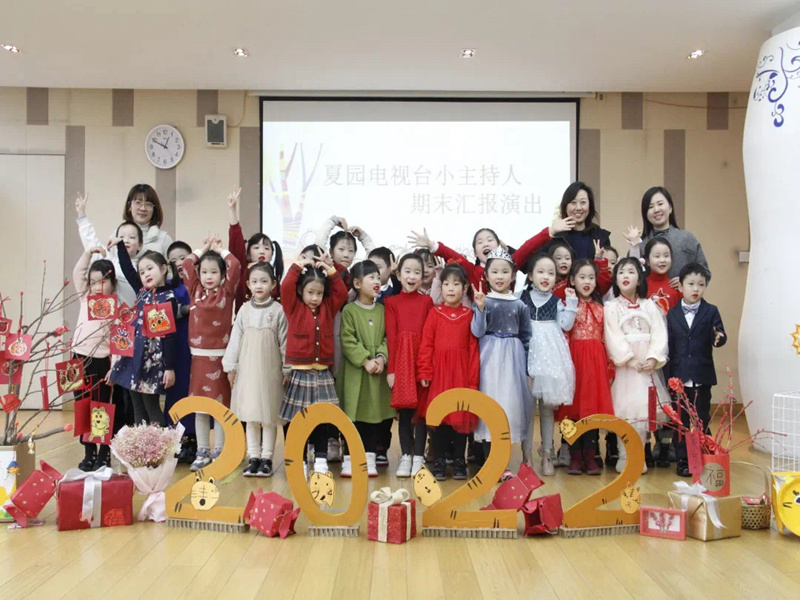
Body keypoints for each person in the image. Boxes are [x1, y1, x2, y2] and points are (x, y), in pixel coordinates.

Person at [279, 250, 348, 475]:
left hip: (322, 374)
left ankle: (320, 459)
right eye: (310, 292)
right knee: (295, 420)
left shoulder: (328, 307)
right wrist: (299, 265)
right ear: (301, 291)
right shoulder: (293, 307)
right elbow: (285, 287)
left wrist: (330, 269)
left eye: (319, 293)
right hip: (300, 374)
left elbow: (341, 292)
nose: (315, 298)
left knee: (322, 419)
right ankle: (297, 460)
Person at [471, 247, 533, 480]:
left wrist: (526, 368)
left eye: (505, 272)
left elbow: (526, 337)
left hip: (512, 361)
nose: (499, 276)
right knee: (489, 405)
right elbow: (477, 332)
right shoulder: (484, 300)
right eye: (494, 272)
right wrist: (480, 309)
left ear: (513, 275)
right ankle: (490, 463)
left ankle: (502, 463)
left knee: (508, 406)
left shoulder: (519, 304)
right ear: (486, 276)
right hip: (488, 359)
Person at [603, 258, 670, 475]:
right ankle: (624, 456)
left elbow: (659, 334)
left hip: (646, 369)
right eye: (621, 272)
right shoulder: (611, 307)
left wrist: (653, 357)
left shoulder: (650, 306)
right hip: (625, 369)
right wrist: (629, 359)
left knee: (642, 413)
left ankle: (638, 456)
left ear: (639, 279)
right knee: (624, 413)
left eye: (631, 272)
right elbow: (612, 336)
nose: (626, 276)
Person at [181, 237, 241, 472]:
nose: (208, 276)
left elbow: (235, 265)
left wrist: (219, 249)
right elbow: (187, 264)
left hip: (221, 358)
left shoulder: (227, 292)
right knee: (200, 407)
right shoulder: (194, 290)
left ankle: (220, 451)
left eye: (214, 272)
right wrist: (203, 249)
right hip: (198, 358)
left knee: (221, 407)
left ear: (222, 275)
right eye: (204, 271)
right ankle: (202, 450)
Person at [223, 262, 288, 477]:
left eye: (264, 281)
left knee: (269, 416)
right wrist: (231, 366)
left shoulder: (278, 310)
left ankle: (267, 458)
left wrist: (287, 368)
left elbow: (285, 342)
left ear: (273, 284)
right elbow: (235, 339)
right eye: (254, 281)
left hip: (271, 371)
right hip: (248, 371)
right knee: (250, 414)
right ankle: (253, 456)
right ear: (248, 284)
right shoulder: (244, 310)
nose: (259, 285)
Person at [417, 262, 480, 481]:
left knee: (460, 417)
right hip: (439, 375)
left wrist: (472, 381)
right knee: (439, 417)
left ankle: (460, 460)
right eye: (446, 284)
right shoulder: (434, 314)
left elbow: (473, 350)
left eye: (456, 284)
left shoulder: (469, 315)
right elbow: (426, 345)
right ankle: (439, 461)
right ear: (440, 287)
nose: (451, 288)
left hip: (461, 374)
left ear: (465, 288)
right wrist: (425, 372)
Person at [519, 254, 577, 476]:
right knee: (527, 408)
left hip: (550, 358)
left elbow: (566, 324)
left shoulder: (556, 302)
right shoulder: (521, 297)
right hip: (525, 353)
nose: (546, 277)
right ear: (531, 275)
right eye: (540, 272)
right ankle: (526, 457)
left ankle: (547, 453)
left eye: (551, 273)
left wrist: (571, 303)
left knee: (546, 408)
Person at [666, 263, 726, 477]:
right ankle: (683, 460)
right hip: (679, 376)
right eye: (691, 284)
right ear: (680, 286)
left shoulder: (711, 311)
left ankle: (704, 455)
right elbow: (669, 346)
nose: (696, 289)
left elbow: (719, 334)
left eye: (701, 285)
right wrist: (668, 377)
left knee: (702, 417)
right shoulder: (672, 314)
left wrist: (719, 338)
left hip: (702, 375)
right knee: (681, 421)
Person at [336, 260, 395, 478]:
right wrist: (364, 360)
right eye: (371, 277)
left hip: (377, 373)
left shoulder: (383, 310)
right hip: (355, 372)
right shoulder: (350, 310)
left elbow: (388, 337)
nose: (376, 281)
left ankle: (369, 458)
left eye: (378, 277)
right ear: (358, 283)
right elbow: (347, 339)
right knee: (353, 416)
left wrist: (380, 357)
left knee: (373, 416)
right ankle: (349, 458)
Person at [556, 259, 615, 475]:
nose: (587, 281)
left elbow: (606, 338)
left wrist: (609, 366)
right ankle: (574, 455)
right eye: (582, 277)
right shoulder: (566, 306)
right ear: (572, 280)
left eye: (591, 277)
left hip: (595, 364)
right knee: (572, 410)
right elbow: (563, 334)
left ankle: (590, 455)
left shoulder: (602, 308)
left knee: (592, 409)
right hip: (574, 361)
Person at [408, 218, 573, 293]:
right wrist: (431, 244)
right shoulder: (473, 271)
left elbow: (528, 247)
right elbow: (452, 254)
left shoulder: (510, 264)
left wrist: (550, 231)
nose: (485, 244)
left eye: (490, 240)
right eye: (480, 242)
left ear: (499, 245)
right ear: (475, 252)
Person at [111, 246, 178, 425]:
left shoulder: (168, 298)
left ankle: (160, 442)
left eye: (150, 268)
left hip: (152, 362)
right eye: (142, 272)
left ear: (163, 269)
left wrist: (169, 368)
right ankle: (141, 442)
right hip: (134, 357)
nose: (146, 274)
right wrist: (120, 245)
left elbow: (170, 337)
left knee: (152, 407)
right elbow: (127, 268)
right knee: (137, 407)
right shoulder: (142, 291)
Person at [70, 247, 122, 470]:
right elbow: (77, 273)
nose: (97, 287)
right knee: (82, 407)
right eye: (93, 282)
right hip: (78, 359)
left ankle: (104, 453)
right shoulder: (85, 298)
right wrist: (88, 253)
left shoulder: (117, 308)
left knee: (100, 408)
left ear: (113, 283)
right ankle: (89, 452)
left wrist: (114, 367)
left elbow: (120, 341)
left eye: (103, 282)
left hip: (102, 361)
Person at [385, 254, 434, 477]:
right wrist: (392, 370)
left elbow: (430, 336)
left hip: (422, 361)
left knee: (421, 412)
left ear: (423, 277)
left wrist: (427, 368)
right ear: (398, 274)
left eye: (417, 272)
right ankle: (406, 455)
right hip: (402, 363)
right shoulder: (391, 302)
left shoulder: (427, 302)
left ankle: (419, 456)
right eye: (407, 271)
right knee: (405, 412)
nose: (412, 276)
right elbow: (392, 337)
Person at [624, 186, 709, 288]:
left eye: (660, 204)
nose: (656, 209)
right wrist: (634, 246)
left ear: (670, 208)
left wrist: (687, 280)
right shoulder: (641, 245)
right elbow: (629, 278)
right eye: (650, 207)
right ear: (645, 214)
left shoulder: (687, 238)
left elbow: (705, 273)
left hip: (682, 297)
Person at [75, 191, 141, 306]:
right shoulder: (109, 262)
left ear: (140, 244)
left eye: (131, 237)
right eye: (121, 237)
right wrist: (82, 215)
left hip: (134, 314)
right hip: (108, 315)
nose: (126, 240)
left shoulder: (142, 269)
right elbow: (91, 242)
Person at [227, 185, 283, 311]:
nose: (262, 251)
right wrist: (232, 209)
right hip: (245, 322)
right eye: (256, 247)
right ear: (248, 254)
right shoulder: (243, 269)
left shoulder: (274, 279)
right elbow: (236, 240)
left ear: (272, 255)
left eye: (266, 248)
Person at [165, 241, 195, 462]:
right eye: (173, 260)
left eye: (182, 257)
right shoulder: (167, 286)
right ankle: (176, 440)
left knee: (194, 391)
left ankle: (194, 441)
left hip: (196, 344)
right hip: (175, 346)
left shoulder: (200, 283)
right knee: (176, 391)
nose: (178, 263)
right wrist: (183, 310)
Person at [553, 181, 611, 260]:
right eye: (573, 202)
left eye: (583, 202)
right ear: (565, 206)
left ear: (590, 206)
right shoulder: (557, 237)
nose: (578, 208)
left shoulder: (600, 236)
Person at [643, 238, 682, 315]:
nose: (662, 260)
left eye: (666, 256)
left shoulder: (676, 286)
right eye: (657, 256)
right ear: (647, 261)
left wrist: (685, 285)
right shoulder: (642, 285)